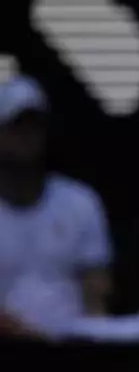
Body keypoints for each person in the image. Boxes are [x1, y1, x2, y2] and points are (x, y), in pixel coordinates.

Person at [0, 75, 113, 338]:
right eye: (17, 127)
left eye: (35, 126)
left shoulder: (81, 202)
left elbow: (96, 296)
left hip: (72, 358)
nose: (27, 136)